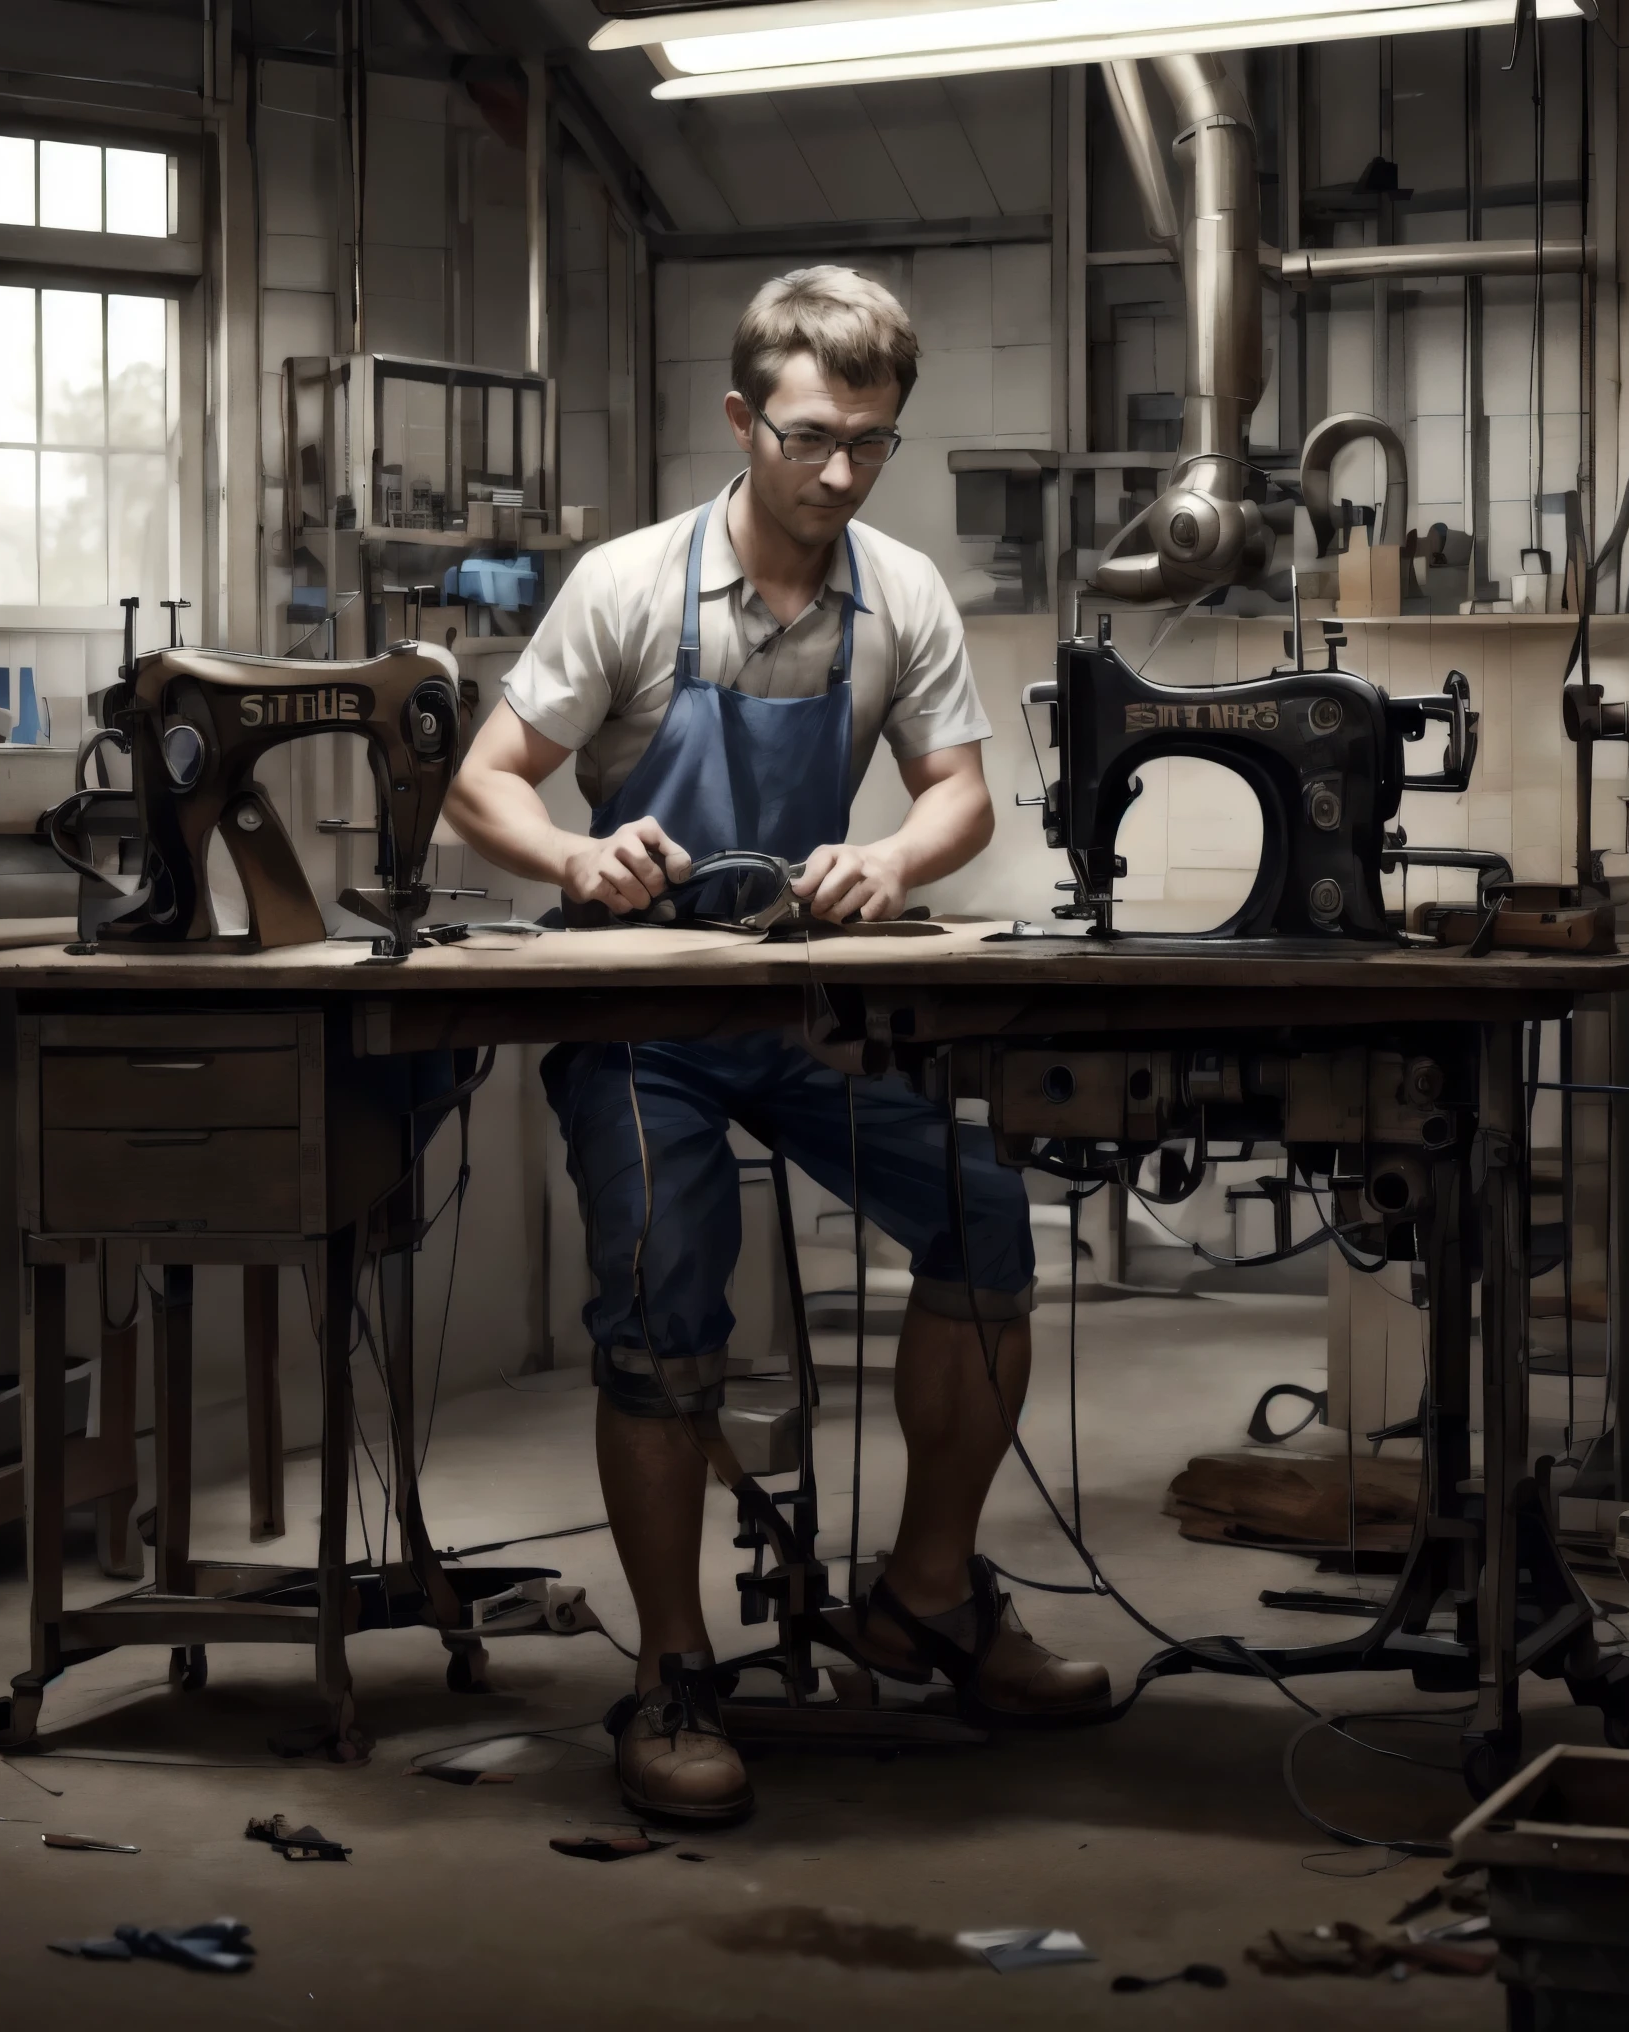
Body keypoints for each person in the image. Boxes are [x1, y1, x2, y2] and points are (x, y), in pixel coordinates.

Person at [444, 266, 1107, 1824]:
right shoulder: (625, 586)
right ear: (742, 418)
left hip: (808, 1005)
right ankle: (672, 1670)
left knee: (987, 1221)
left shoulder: (904, 593)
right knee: (667, 1307)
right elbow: (485, 778)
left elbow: (960, 792)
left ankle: (928, 1595)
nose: (838, 473)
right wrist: (570, 861)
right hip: (641, 1022)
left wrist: (896, 860)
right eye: (810, 438)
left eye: (870, 444)